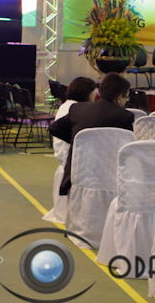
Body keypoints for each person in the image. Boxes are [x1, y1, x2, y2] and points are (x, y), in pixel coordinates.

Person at [48, 73, 135, 195]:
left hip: (77, 178)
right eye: (126, 98)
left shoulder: (77, 109)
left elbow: (54, 129)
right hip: (109, 180)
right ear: (119, 98)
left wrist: (79, 141)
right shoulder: (125, 117)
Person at [43, 76, 97, 224]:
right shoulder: (77, 109)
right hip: (71, 161)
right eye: (93, 92)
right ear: (87, 93)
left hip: (64, 159)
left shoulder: (66, 105)